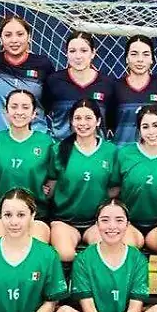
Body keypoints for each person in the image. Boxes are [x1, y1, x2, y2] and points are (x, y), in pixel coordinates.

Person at [103, 105, 157, 287]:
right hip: (129, 222)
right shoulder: (125, 154)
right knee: (124, 247)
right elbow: (113, 189)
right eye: (145, 127)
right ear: (139, 130)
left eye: (156, 125)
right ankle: (126, 298)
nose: (151, 132)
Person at [47, 99, 118, 263]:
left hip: (96, 222)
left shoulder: (110, 151)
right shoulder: (58, 150)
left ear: (98, 121)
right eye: (78, 118)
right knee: (65, 254)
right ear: (71, 122)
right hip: (64, 221)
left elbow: (114, 188)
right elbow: (51, 185)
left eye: (88, 118)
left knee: (102, 254)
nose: (83, 123)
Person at [0, 90, 53, 242]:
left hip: (36, 215)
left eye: (25, 107)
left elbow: (52, 179)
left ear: (34, 113)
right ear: (6, 111)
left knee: (34, 248)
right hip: (0, 214)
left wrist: (43, 192)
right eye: (14, 107)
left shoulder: (46, 142)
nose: (19, 112)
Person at [0, 15, 53, 135]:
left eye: (20, 34)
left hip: (34, 138)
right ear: (0, 39)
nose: (14, 40)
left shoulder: (43, 64)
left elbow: (49, 102)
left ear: (29, 37)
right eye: (8, 35)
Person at [44, 31, 115, 139]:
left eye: (84, 51)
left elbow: (111, 121)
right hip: (61, 146)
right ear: (66, 53)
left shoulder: (108, 83)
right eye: (72, 51)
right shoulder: (54, 81)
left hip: (95, 148)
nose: (78, 56)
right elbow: (43, 111)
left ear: (93, 53)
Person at [109, 35, 157, 145]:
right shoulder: (115, 86)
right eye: (134, 54)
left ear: (152, 59)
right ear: (126, 58)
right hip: (122, 151)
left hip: (152, 151)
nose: (140, 59)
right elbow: (109, 122)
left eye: (146, 54)